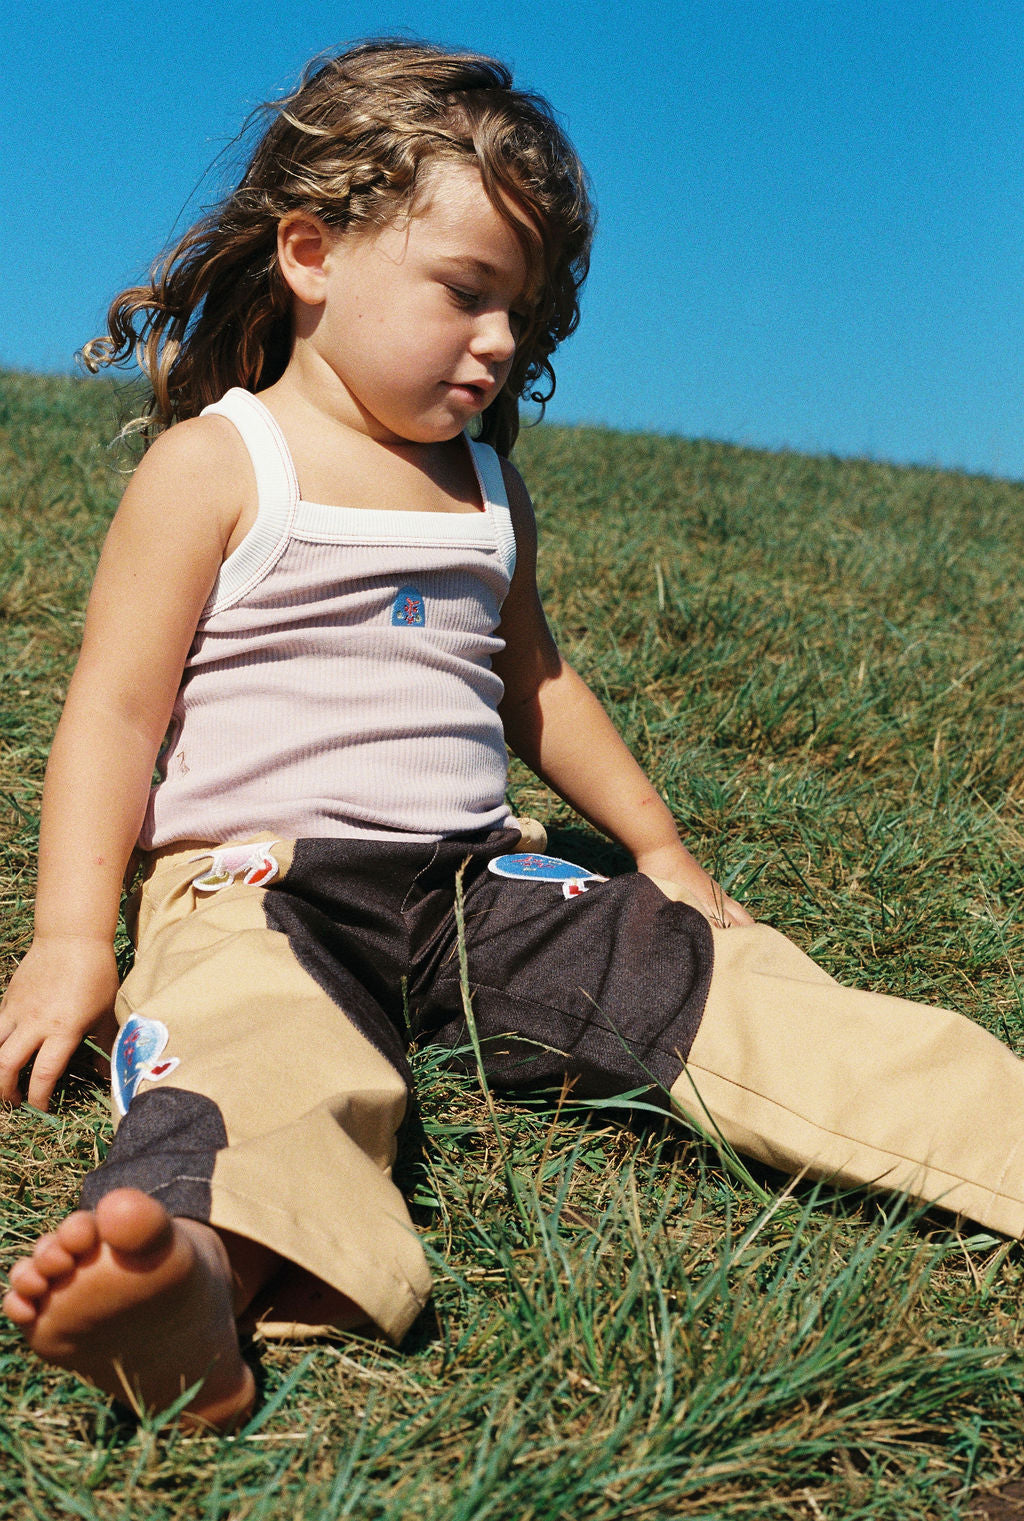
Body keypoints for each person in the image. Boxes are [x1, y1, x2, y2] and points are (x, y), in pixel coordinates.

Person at [3, 38, 1024, 1434]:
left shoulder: (485, 490)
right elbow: (113, 714)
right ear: (311, 252)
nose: (500, 343)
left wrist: (660, 849)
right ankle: (186, 1277)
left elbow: (534, 685)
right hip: (263, 887)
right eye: (466, 294)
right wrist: (74, 936)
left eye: (520, 314)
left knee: (742, 997)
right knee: (256, 1068)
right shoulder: (220, 465)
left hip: (481, 883)